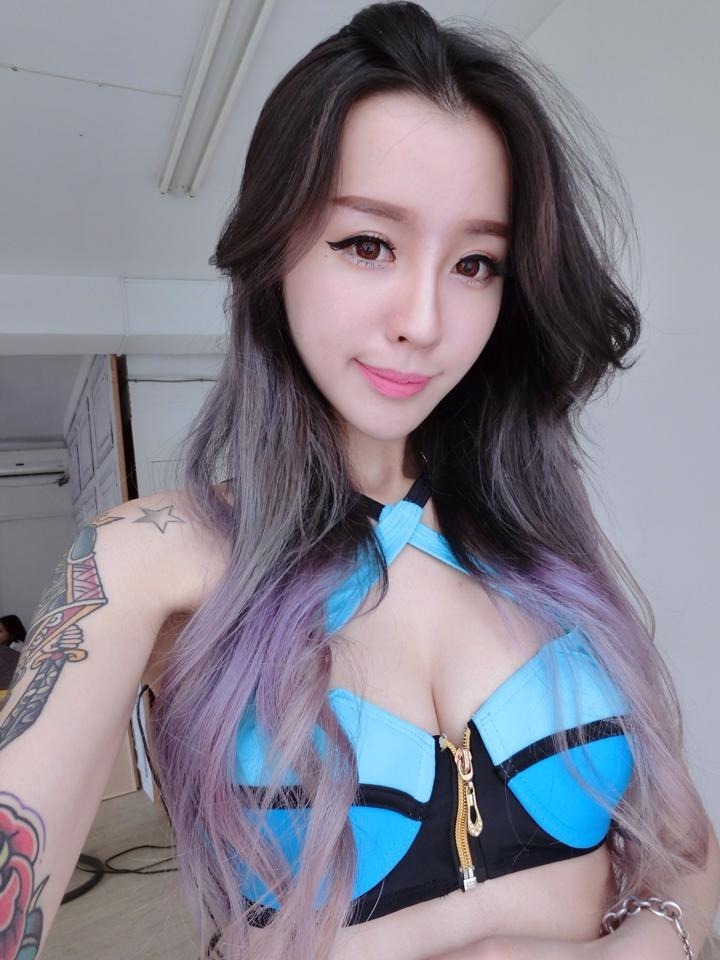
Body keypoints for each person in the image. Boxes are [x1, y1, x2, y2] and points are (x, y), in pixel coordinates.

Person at [0, 4, 718, 959]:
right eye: (368, 244)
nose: (424, 321)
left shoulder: (537, 538)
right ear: (274, 253)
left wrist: (648, 945)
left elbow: (686, 844)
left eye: (476, 263)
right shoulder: (148, 560)